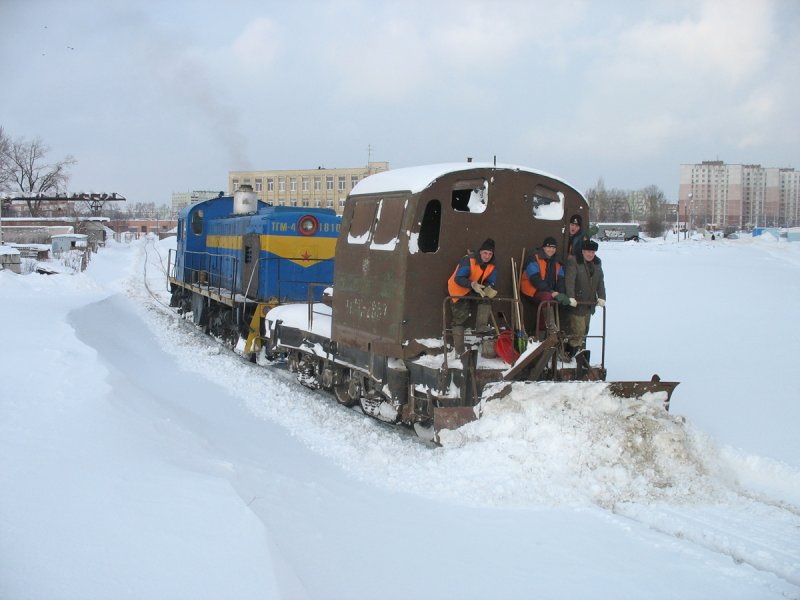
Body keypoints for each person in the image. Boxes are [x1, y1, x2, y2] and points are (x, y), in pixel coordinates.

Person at [447, 238, 497, 356]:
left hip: (475, 289)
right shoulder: (468, 260)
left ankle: (481, 327)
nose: (487, 256)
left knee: (486, 299)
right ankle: (459, 351)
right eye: (485, 253)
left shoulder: (493, 264)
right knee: (460, 317)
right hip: (458, 289)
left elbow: (491, 280)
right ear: (480, 252)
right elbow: (458, 278)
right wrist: (472, 284)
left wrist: (488, 288)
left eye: (490, 254)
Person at [519, 236, 569, 338]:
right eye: (548, 247)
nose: (551, 250)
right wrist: (551, 292)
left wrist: (561, 293)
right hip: (531, 288)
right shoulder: (534, 257)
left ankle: (541, 332)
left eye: (553, 248)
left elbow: (560, 280)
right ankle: (550, 327)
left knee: (550, 300)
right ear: (543, 248)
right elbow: (534, 279)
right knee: (546, 298)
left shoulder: (558, 261)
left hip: (548, 291)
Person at [564, 239, 606, 358]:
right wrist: (571, 297)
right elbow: (570, 281)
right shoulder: (575, 262)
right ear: (583, 251)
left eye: (592, 252)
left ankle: (576, 353)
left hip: (589, 304)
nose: (590, 254)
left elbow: (600, 282)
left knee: (585, 330)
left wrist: (602, 297)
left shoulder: (597, 263)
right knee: (579, 330)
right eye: (588, 251)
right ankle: (569, 354)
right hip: (577, 303)